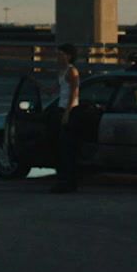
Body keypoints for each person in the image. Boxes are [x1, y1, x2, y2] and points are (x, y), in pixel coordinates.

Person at [50, 42, 81, 193]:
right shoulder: (61, 71)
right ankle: (64, 180)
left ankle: (68, 181)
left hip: (70, 111)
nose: (58, 57)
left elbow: (74, 93)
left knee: (66, 148)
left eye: (61, 54)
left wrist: (67, 113)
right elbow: (53, 90)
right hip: (60, 108)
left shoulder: (72, 71)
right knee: (59, 147)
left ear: (68, 56)